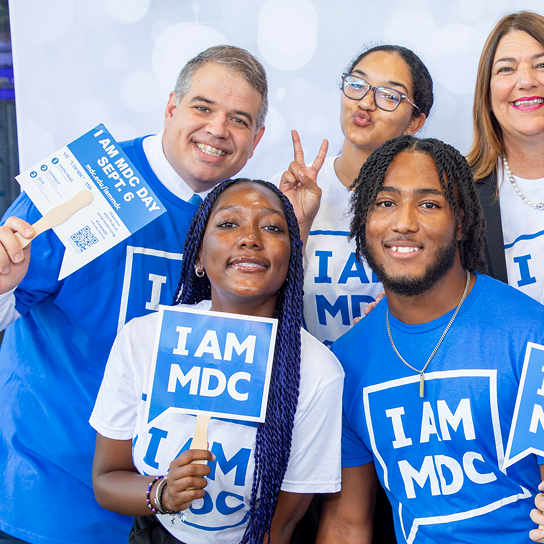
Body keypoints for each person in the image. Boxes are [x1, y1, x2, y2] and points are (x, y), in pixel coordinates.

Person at [0, 45, 268, 544]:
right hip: (52, 496)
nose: (217, 129)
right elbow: (8, 304)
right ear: (171, 108)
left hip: (176, 516)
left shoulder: (245, 221)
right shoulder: (87, 185)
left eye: (239, 119)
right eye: (203, 107)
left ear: (256, 140)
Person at [317, 135, 544, 543]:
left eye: (429, 204)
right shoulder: (348, 361)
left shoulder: (529, 334)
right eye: (385, 203)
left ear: (461, 222)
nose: (403, 222)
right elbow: (347, 524)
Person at [90, 178, 344, 543]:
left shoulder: (317, 372)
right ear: (198, 254)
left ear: (291, 258)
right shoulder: (143, 339)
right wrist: (162, 493)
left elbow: (281, 526)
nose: (250, 238)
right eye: (228, 223)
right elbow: (106, 480)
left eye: (271, 228)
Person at [275, 44, 433, 347]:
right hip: (302, 370)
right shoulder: (288, 192)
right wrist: (297, 227)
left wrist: (409, 305)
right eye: (358, 84)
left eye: (389, 95)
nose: (366, 102)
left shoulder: (430, 207)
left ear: (414, 122)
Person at [467, 11, 544, 302]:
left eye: (542, 65)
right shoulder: (459, 195)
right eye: (506, 69)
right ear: (486, 95)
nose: (526, 81)